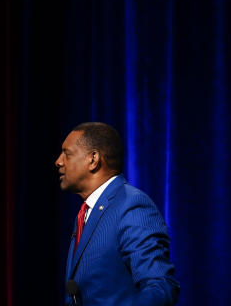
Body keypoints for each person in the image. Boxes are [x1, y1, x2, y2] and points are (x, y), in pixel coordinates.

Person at [54, 122, 179, 306]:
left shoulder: (131, 205)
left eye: (67, 153)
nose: (59, 161)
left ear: (93, 159)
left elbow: (160, 287)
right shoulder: (87, 214)